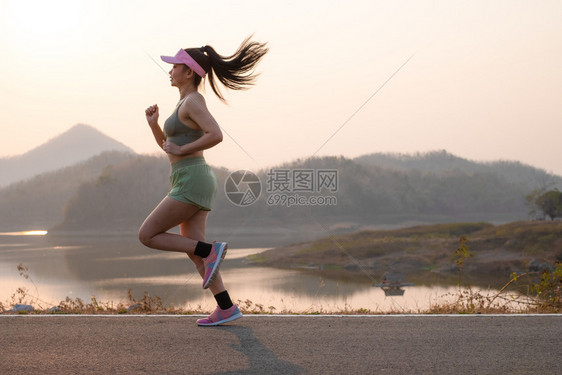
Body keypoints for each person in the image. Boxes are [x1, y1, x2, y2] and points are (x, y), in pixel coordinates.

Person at [139, 37, 268, 326]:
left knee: (147, 235)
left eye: (175, 66)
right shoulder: (184, 103)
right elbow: (169, 147)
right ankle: (226, 307)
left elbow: (216, 134)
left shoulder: (194, 100)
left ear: (189, 72)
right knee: (193, 250)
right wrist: (154, 126)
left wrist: (182, 150)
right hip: (190, 177)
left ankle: (210, 250)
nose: (169, 71)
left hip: (192, 179)